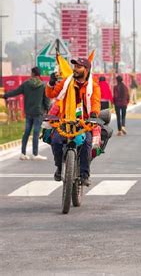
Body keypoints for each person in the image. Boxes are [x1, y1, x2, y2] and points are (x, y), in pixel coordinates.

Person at [46, 58, 100, 186]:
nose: (75, 69)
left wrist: (93, 114)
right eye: (74, 66)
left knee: (87, 143)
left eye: (78, 67)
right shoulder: (66, 82)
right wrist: (51, 83)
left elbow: (95, 103)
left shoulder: (94, 86)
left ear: (86, 70)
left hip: (84, 122)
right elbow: (51, 94)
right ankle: (59, 168)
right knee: (56, 141)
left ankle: (85, 174)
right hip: (65, 120)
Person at [1, 67, 50, 161]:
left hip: (28, 112)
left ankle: (23, 153)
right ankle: (35, 154)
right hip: (38, 112)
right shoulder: (43, 86)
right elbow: (46, 99)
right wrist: (47, 110)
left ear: (32, 74)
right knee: (36, 133)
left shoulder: (26, 84)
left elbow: (15, 92)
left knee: (26, 132)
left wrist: (5, 95)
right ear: (39, 74)